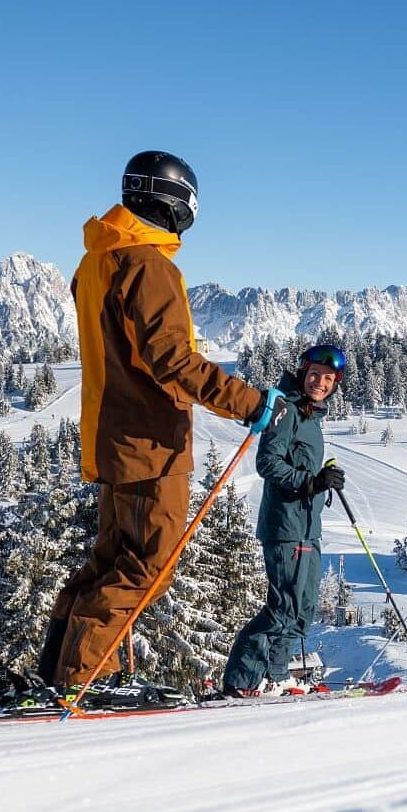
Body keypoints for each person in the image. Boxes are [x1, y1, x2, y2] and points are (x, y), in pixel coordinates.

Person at [38, 150, 284, 694]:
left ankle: (56, 672)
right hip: (151, 446)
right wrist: (247, 401)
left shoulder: (98, 260)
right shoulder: (149, 265)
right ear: (175, 201)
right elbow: (172, 361)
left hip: (112, 440)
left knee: (108, 563)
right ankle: (80, 683)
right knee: (145, 567)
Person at [222, 343, 348, 696]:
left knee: (303, 609)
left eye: (327, 379)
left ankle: (275, 677)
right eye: (314, 375)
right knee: (283, 608)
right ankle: (241, 680)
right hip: (285, 527)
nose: (319, 383)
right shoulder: (287, 410)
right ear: (303, 373)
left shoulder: (311, 416)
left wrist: (323, 477)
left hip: (308, 527)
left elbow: (299, 464)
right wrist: (310, 482)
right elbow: (268, 463)